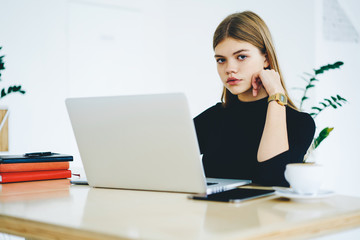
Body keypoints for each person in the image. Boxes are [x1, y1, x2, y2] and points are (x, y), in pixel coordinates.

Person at [193, 11, 315, 187]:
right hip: (212, 213)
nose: (230, 69)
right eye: (221, 60)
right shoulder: (211, 119)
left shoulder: (299, 124)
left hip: (264, 214)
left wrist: (276, 94)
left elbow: (272, 180)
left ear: (265, 58)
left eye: (241, 57)